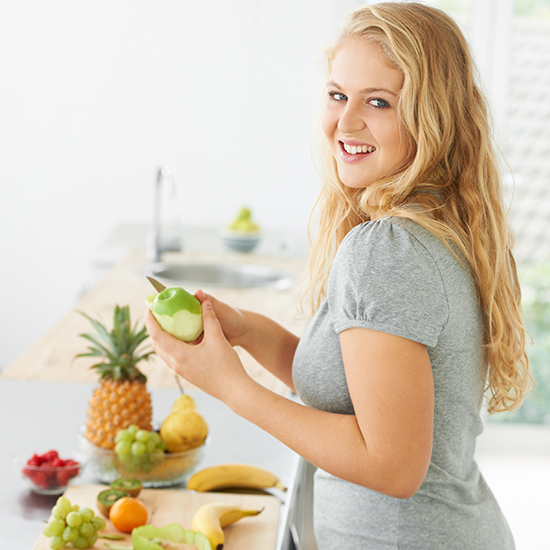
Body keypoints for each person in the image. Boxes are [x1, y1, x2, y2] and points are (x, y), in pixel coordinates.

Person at [145, 3, 531, 548]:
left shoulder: (387, 249)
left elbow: (394, 466)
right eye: (337, 95)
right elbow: (359, 389)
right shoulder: (438, 226)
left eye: (379, 102)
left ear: (433, 116)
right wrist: (250, 332)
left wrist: (232, 388)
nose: (346, 123)